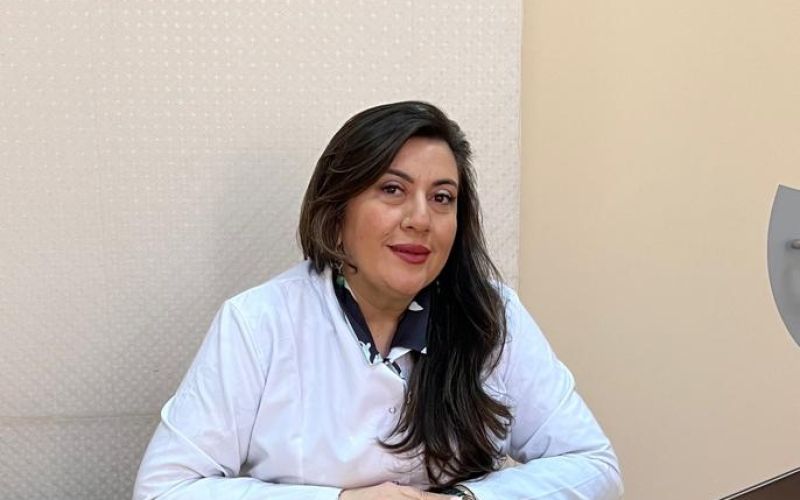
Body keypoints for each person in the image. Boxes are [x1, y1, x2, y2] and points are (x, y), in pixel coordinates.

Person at [132, 101, 623, 499]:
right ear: (336, 211)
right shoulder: (259, 323)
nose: (420, 219)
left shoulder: (491, 315)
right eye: (392, 190)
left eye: (442, 198)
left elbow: (593, 465)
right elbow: (166, 489)